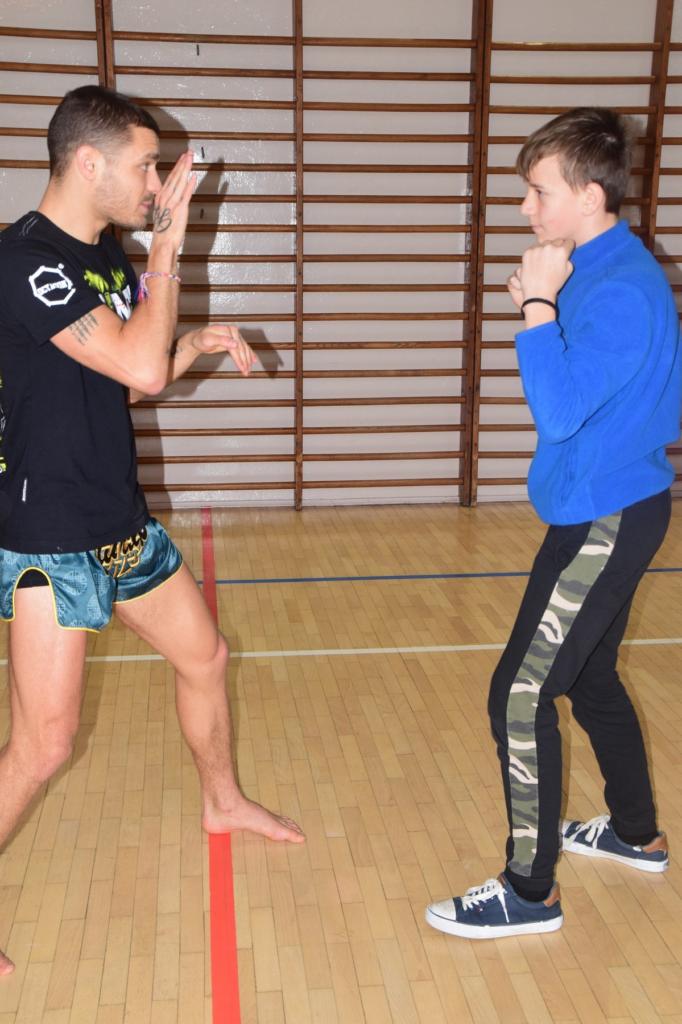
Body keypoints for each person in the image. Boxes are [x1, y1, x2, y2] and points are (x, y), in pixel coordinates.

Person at [0, 85, 304, 976]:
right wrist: (169, 249)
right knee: (45, 744)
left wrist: (192, 341)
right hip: (49, 538)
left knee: (205, 657)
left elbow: (127, 379)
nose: (154, 184)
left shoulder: (100, 256)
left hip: (118, 520)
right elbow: (140, 367)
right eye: (143, 166)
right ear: (87, 161)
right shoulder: (25, 262)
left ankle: (222, 800)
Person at [426, 107, 680, 939]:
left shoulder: (622, 290)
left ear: (590, 196)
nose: (525, 208)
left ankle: (529, 890)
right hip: (608, 504)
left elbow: (562, 410)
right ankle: (636, 833)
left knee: (520, 693)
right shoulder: (603, 271)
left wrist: (538, 308)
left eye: (540, 192)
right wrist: (548, 305)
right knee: (592, 675)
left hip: (605, 517)